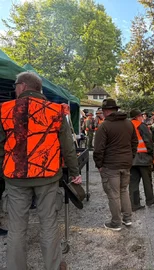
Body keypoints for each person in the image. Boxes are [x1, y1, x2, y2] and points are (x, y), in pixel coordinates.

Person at [1, 71, 81, 270]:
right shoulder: (55, 110)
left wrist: (4, 169)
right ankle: (53, 267)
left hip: (15, 178)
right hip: (47, 177)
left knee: (17, 229)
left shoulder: (5, 110)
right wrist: (74, 171)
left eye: (15, 86)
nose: (14, 89)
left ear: (23, 86)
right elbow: (68, 146)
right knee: (49, 225)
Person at [93, 99, 138, 231]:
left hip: (110, 165)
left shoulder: (104, 126)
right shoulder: (129, 124)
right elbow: (134, 143)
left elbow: (98, 149)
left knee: (113, 194)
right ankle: (127, 219)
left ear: (106, 111)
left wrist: (99, 165)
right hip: (126, 164)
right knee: (123, 191)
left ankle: (116, 222)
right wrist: (130, 157)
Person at [129, 109, 154, 211]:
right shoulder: (141, 126)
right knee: (147, 180)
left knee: (133, 182)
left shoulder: (128, 125)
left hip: (132, 159)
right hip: (143, 157)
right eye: (141, 115)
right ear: (138, 116)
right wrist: (151, 154)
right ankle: (150, 200)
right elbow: (148, 141)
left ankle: (134, 204)